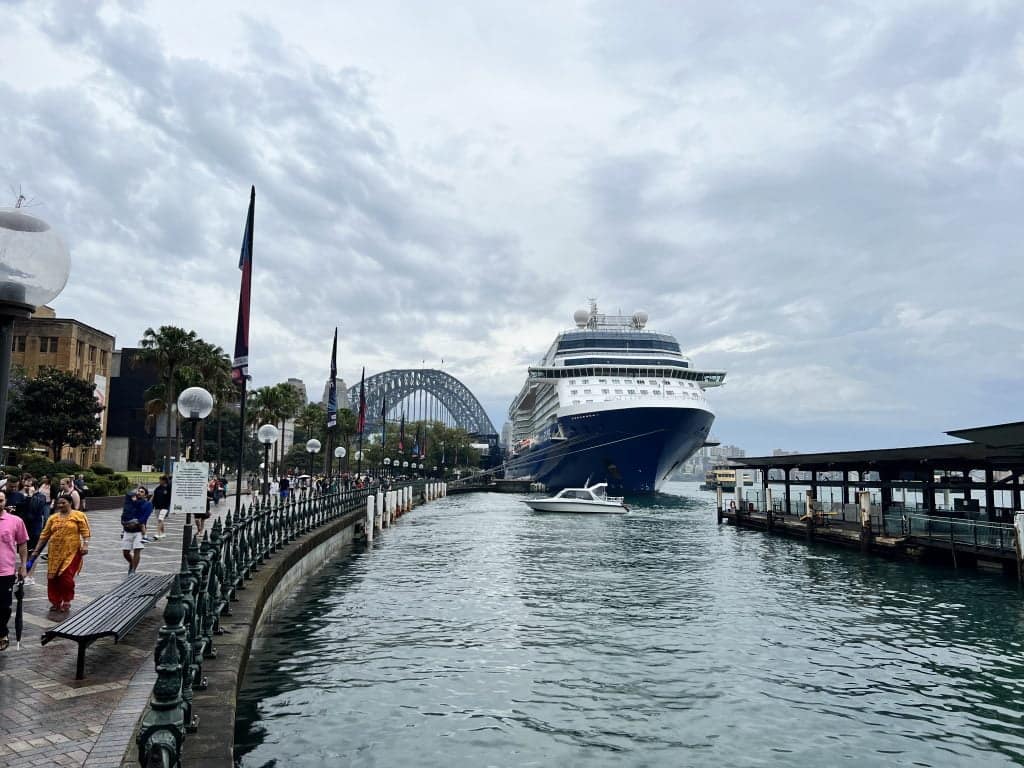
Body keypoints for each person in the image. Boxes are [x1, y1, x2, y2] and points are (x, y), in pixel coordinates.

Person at [28, 497, 90, 612]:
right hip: (54, 553)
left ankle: (67, 600)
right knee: (53, 578)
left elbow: (85, 531)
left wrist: (85, 544)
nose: (60, 505)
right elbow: (44, 535)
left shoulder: (78, 515)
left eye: (63, 503)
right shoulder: (53, 518)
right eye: (58, 503)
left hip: (72, 551)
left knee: (66, 577)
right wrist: (36, 551)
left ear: (70, 503)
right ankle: (55, 602)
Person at [0, 490, 29, 651]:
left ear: (5, 501)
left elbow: (23, 544)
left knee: (4, 606)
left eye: (1, 500)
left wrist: (23, 565)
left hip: (5, 572)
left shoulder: (15, 521)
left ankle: (2, 632)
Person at [121, 487, 152, 575]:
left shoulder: (147, 504)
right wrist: (124, 523)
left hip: (139, 531)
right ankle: (131, 563)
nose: (139, 493)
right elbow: (125, 512)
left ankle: (133, 570)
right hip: (127, 530)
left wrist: (137, 523)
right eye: (138, 491)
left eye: (142, 492)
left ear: (145, 495)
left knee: (136, 550)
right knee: (125, 552)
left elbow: (145, 516)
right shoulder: (131, 501)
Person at [152, 475, 172, 540]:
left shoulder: (168, 488)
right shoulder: (157, 488)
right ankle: (163, 533)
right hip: (157, 506)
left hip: (165, 507)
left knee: (160, 519)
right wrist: (151, 505)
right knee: (160, 520)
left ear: (164, 481)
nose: (159, 481)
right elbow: (154, 497)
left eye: (161, 480)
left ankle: (158, 533)